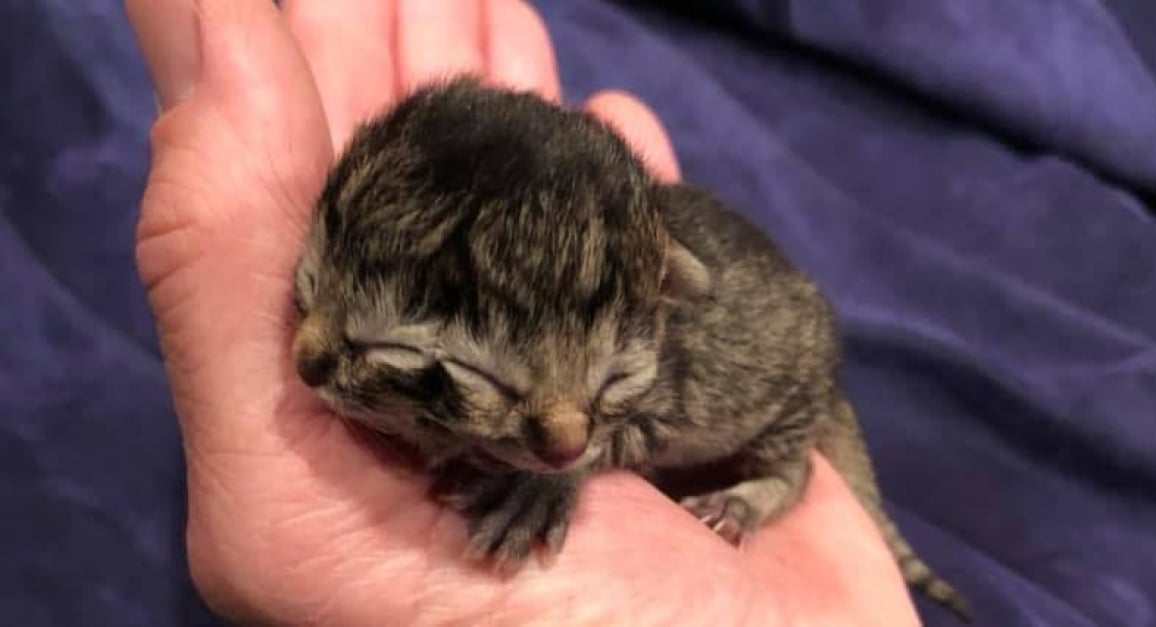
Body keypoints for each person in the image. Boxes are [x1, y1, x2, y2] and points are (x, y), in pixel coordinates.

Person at [124, 1, 920, 624]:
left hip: (769, 375)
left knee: (779, 365)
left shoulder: (622, 345)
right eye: (313, 284)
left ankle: (779, 477)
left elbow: (584, 428)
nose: (305, 355)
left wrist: (560, 479)